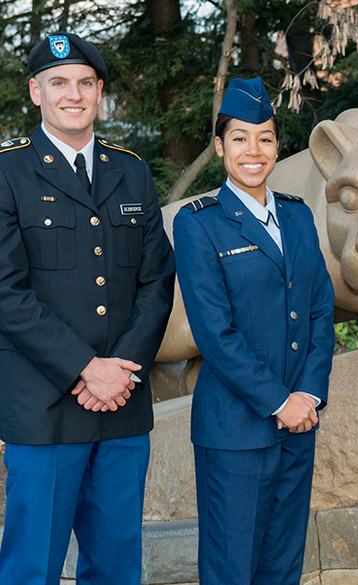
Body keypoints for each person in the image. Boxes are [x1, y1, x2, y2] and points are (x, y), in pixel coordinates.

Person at [0, 32, 175, 585]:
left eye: (84, 83)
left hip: (121, 404)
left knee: (118, 565)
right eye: (58, 83)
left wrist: (119, 371)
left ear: (100, 92)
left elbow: (157, 280)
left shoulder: (132, 172)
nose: (71, 94)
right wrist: (85, 369)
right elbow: (6, 292)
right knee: (32, 566)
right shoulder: (7, 173)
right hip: (44, 406)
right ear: (36, 91)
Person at [173, 77, 335, 585]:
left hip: (298, 422)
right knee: (231, 567)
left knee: (284, 564)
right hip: (235, 430)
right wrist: (278, 400)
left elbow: (319, 310)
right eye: (239, 138)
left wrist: (307, 394)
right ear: (220, 146)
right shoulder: (198, 223)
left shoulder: (298, 216)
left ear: (277, 146)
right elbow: (215, 333)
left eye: (265, 137)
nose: (253, 150)